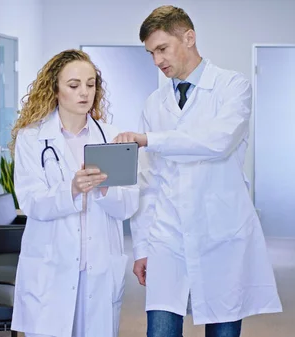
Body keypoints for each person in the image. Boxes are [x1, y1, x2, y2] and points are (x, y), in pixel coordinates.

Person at [113, 5, 283, 337]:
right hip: (167, 234)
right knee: (160, 329)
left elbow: (217, 141)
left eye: (162, 49)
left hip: (221, 230)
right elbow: (148, 180)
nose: (157, 60)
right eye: (150, 53)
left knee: (222, 327)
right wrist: (142, 246)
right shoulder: (153, 103)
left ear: (189, 38)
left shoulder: (233, 87)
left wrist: (150, 140)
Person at [9, 49, 140, 337]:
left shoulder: (111, 136)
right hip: (51, 267)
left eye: (91, 84)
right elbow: (30, 201)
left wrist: (106, 191)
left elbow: (129, 204)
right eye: (74, 85)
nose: (85, 92)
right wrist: (71, 189)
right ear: (55, 89)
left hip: (99, 266)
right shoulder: (32, 138)